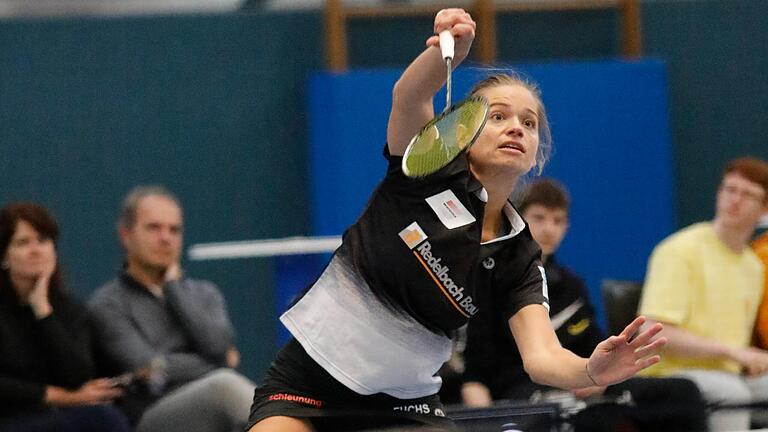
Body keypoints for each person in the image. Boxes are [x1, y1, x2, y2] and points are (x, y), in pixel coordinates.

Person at [247, 9, 666, 432]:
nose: (515, 128)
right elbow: (409, 98)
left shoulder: (519, 257)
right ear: (464, 131)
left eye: (529, 122)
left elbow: (542, 358)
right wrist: (452, 50)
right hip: (307, 385)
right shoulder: (426, 171)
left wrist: (592, 370)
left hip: (402, 406)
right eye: (498, 116)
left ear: (538, 154)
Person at [460, 178, 707, 431]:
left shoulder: (571, 285)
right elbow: (475, 375)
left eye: (557, 221)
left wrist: (599, 374)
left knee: (683, 393)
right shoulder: (491, 281)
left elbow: (592, 344)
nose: (548, 229)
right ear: (518, 220)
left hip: (581, 379)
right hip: (524, 392)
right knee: (588, 416)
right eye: (539, 218)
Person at [88, 185, 255, 432]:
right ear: (125, 235)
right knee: (225, 387)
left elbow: (217, 346)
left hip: (215, 410)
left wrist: (174, 289)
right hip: (150, 416)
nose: (166, 238)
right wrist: (219, 362)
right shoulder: (108, 303)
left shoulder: (205, 293)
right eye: (153, 228)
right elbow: (149, 369)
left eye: (174, 230)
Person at [638, 157, 768, 431]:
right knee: (732, 393)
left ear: (763, 209)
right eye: (729, 189)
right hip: (669, 375)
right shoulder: (679, 250)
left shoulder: (753, 267)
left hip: (728, 372)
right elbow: (655, 332)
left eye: (747, 194)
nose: (735, 199)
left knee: (741, 387)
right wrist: (734, 352)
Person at [0, 202, 130, 432]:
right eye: (23, 243)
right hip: (9, 419)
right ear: (4, 256)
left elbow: (78, 376)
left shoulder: (68, 309)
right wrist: (59, 397)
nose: (36, 250)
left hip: (54, 418)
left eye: (43, 241)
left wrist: (42, 310)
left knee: (106, 415)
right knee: (100, 419)